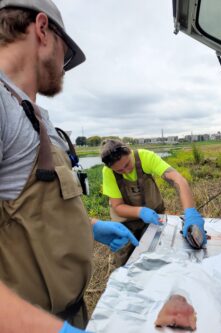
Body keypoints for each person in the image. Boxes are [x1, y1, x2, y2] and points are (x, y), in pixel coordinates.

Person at [0, 1, 139, 332]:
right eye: (66, 55)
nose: (65, 68)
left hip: (70, 313)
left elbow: (33, 210)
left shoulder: (35, 117)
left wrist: (89, 226)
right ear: (42, 29)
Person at [101, 139, 207, 265]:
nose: (126, 171)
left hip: (153, 217)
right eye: (119, 170)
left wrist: (190, 212)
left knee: (156, 254)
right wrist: (140, 211)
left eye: (127, 164)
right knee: (126, 259)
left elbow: (178, 180)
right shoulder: (108, 172)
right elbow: (117, 206)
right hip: (126, 222)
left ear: (129, 151)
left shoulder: (145, 157)